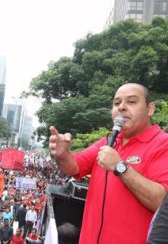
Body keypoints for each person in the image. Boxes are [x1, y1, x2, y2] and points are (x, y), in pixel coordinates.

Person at [49, 83, 168, 243]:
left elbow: (162, 202)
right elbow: (74, 166)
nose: (122, 107)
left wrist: (120, 167)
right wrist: (62, 155)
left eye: (131, 102)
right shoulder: (108, 142)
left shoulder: (163, 144)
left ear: (150, 109)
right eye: (117, 103)